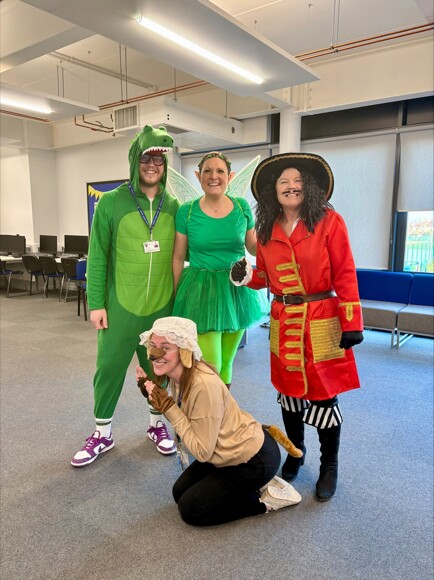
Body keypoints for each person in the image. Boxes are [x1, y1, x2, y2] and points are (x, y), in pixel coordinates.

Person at [230, 152, 364, 501]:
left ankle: (329, 465)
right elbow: (267, 276)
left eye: (298, 181)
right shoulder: (267, 229)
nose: (291, 186)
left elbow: (345, 271)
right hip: (284, 320)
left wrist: (352, 320)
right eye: (284, 182)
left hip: (321, 319)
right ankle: (296, 452)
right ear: (273, 191)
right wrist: (247, 276)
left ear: (310, 187)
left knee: (324, 395)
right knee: (288, 394)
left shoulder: (330, 221)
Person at [71, 125, 180, 467]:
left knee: (158, 369)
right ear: (135, 160)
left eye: (159, 160)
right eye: (146, 158)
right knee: (109, 368)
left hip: (160, 306)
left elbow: (187, 254)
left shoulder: (174, 206)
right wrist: (96, 303)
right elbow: (97, 256)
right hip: (119, 306)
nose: (152, 166)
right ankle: (102, 433)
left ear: (165, 165)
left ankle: (156, 425)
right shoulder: (111, 203)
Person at [136, 316, 302, 526]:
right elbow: (186, 419)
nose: (154, 353)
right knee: (179, 493)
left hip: (254, 460)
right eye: (152, 345)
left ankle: (265, 501)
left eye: (165, 347)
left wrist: (168, 408)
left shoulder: (203, 385)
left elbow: (202, 452)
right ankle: (252, 486)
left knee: (191, 510)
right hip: (223, 452)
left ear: (185, 351)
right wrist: (152, 392)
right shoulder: (178, 375)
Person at [172, 151, 266, 389]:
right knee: (211, 363)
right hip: (201, 291)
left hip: (237, 290)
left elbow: (253, 246)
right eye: (207, 171)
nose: (214, 176)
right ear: (198, 176)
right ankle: (206, 408)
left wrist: (274, 240)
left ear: (230, 176)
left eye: (220, 171)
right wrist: (176, 294)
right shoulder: (187, 211)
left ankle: (222, 409)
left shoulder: (242, 207)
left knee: (227, 362)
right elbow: (178, 257)